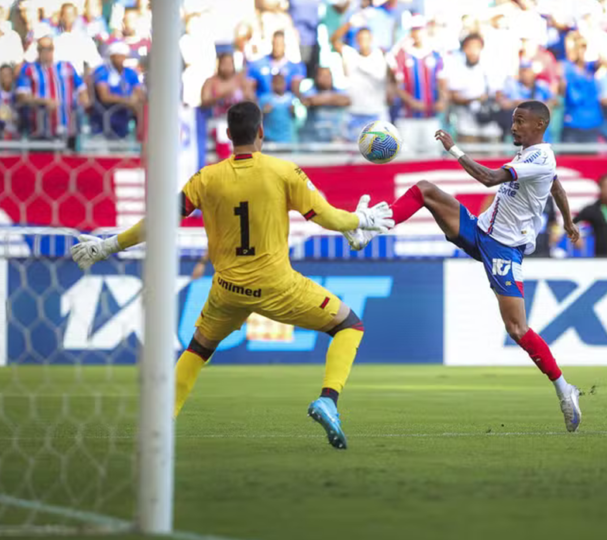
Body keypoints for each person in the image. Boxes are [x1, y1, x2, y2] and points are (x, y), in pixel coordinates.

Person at [69, 101, 394, 450]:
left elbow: (161, 218)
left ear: (227, 136)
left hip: (227, 289)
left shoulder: (206, 178)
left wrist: (108, 246)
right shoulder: (284, 172)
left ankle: (159, 423)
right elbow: (327, 217)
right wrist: (359, 221)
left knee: (198, 348)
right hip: (277, 286)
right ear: (261, 133)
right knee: (349, 325)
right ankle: (328, 399)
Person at [344, 101, 584, 432]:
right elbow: (554, 184)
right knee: (425, 190)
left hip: (504, 249)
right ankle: (368, 231)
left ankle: (563, 388)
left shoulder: (541, 157)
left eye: (520, 122)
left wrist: (453, 148)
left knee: (516, 328)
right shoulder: (532, 155)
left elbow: (488, 179)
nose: (513, 127)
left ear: (540, 125)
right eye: (513, 121)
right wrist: (569, 221)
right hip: (480, 230)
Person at [388, 15, 447, 155]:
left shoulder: (436, 55)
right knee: (407, 157)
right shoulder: (401, 56)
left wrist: (443, 100)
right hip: (408, 118)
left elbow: (442, 82)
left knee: (432, 157)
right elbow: (397, 85)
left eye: (420, 29)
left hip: (430, 116)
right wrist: (411, 101)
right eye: (414, 30)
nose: (417, 33)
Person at [15, 34, 89, 140]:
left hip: (67, 129)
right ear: (38, 51)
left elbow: (82, 89)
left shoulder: (66, 67)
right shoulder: (29, 70)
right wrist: (44, 101)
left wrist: (80, 102)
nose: (46, 52)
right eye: (43, 49)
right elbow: (21, 96)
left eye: (49, 48)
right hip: (40, 129)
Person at [286, 0, 345, 78]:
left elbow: (339, 7)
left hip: (314, 38)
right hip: (293, 38)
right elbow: (280, 5)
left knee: (312, 72)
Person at [330, 24, 389, 135]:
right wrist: (349, 24)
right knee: (351, 149)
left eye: (366, 38)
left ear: (371, 39)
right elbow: (333, 40)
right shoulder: (350, 54)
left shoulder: (381, 55)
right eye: (360, 38)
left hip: (376, 113)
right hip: (354, 113)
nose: (363, 41)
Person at [446, 33, 500, 144]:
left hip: (490, 126)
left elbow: (499, 93)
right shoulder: (457, 68)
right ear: (464, 49)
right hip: (466, 127)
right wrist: (474, 100)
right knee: (469, 159)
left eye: (476, 47)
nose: (473, 50)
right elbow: (453, 96)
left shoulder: (490, 67)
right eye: (469, 47)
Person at [201, 52, 255, 159]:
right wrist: (221, 96)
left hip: (239, 121)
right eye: (224, 63)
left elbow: (252, 101)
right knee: (222, 133)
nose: (227, 67)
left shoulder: (241, 81)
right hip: (218, 122)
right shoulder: (211, 82)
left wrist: (246, 96)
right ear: (219, 64)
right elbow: (204, 101)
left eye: (229, 63)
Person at [91, 41, 144, 138]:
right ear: (111, 57)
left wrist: (134, 99)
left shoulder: (130, 72)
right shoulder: (102, 71)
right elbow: (104, 96)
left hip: (125, 112)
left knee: (143, 108)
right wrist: (126, 100)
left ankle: (141, 136)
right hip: (107, 112)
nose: (121, 59)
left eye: (123, 56)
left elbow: (139, 92)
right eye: (118, 56)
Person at [560, 36, 603, 143]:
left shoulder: (591, 68)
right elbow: (573, 97)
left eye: (585, 48)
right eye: (580, 47)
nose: (582, 51)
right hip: (573, 122)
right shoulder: (567, 68)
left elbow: (602, 61)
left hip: (592, 123)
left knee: (591, 159)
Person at [248, 30, 305, 99]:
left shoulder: (296, 67)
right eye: (275, 44)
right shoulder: (257, 64)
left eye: (280, 44)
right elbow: (249, 90)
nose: (277, 48)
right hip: (263, 104)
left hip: (285, 106)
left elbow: (296, 91)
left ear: (285, 45)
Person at [300, 66, 351, 143]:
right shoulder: (309, 91)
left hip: (335, 138)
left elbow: (346, 101)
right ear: (316, 77)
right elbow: (310, 101)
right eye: (322, 75)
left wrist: (321, 99)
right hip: (314, 139)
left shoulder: (339, 91)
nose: (325, 78)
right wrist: (334, 100)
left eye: (328, 75)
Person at [259, 73, 295, 143]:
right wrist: (264, 112)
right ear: (271, 84)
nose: (278, 85)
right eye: (276, 82)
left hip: (286, 138)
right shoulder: (264, 99)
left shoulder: (291, 99)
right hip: (269, 138)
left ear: (285, 83)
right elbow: (258, 119)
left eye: (281, 82)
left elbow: (295, 118)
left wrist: (293, 111)